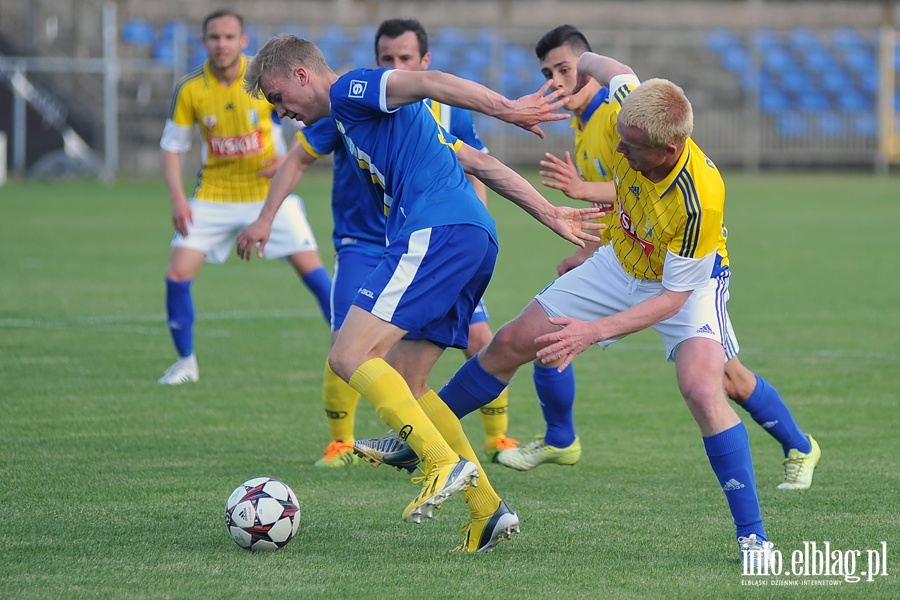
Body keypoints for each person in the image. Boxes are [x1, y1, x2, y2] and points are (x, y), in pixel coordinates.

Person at [237, 33, 603, 552]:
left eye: (277, 97)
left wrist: (507, 109)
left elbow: (430, 80)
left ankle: (437, 461)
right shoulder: (358, 120)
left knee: (347, 354)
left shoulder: (351, 90)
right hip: (470, 236)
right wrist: (550, 213)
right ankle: (487, 509)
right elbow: (478, 163)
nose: (280, 112)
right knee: (411, 383)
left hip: (437, 232)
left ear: (301, 75)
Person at [414, 52, 778, 563]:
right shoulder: (633, 103)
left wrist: (592, 331)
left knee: (702, 389)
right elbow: (599, 62)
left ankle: (753, 536)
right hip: (621, 261)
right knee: (513, 341)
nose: (620, 153)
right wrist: (580, 69)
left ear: (668, 149)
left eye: (630, 148)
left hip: (686, 283)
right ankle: (420, 436)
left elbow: (671, 298)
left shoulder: (700, 199)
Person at [510, 25, 820, 491]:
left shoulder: (620, 115)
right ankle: (560, 437)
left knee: (725, 381)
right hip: (635, 258)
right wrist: (592, 250)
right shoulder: (586, 123)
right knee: (549, 335)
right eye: (546, 73)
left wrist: (586, 224)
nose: (555, 82)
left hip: (681, 267)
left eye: (566, 70)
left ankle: (799, 447)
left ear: (586, 72)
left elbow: (633, 191)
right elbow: (629, 198)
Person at [242, 19, 518, 469]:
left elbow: (476, 163)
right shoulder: (344, 106)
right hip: (372, 242)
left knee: (361, 352)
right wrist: (266, 218)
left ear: (422, 60)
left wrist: (509, 112)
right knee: (373, 358)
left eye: (404, 59)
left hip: (434, 236)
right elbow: (297, 158)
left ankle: (469, 450)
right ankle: (357, 446)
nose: (395, 66)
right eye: (387, 59)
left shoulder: (375, 94)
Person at [157, 9, 332, 384]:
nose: (222, 44)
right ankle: (185, 363)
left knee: (315, 273)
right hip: (213, 196)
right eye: (214, 37)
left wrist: (288, 159)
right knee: (176, 273)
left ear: (243, 40)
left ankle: (351, 350)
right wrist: (177, 199)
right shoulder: (190, 88)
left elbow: (310, 117)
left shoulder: (265, 79)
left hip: (269, 195)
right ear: (203, 41)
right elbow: (172, 147)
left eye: (229, 37)